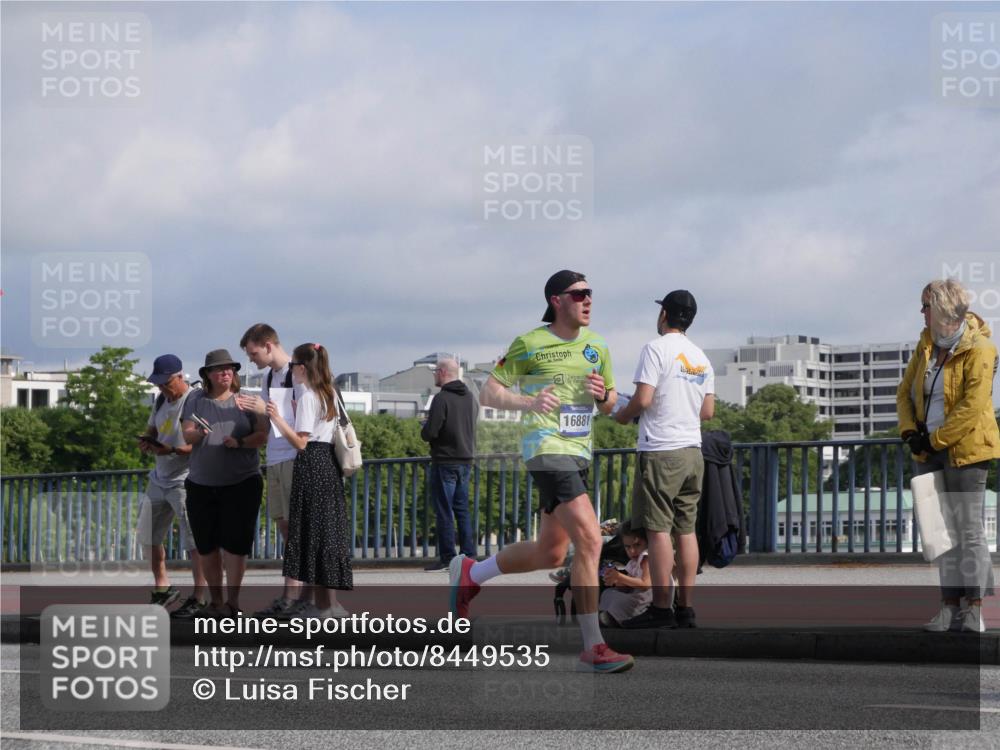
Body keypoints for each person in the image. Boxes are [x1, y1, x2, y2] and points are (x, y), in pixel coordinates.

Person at [453, 269, 635, 673]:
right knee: (590, 538)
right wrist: (528, 404)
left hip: (579, 451)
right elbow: (490, 392)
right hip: (545, 450)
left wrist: (602, 395)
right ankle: (593, 646)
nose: (588, 300)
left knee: (550, 551)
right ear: (557, 300)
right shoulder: (530, 343)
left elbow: (608, 404)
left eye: (591, 294)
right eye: (579, 294)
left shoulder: (597, 346)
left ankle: (471, 573)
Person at [897, 278, 999, 633]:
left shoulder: (981, 348)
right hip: (928, 450)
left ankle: (974, 608)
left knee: (968, 531)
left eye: (925, 306)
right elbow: (905, 392)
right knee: (939, 533)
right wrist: (910, 432)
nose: (921, 313)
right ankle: (948, 606)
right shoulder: (925, 345)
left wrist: (935, 440)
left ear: (942, 309)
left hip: (966, 451)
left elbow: (973, 407)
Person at [614, 290, 715, 629]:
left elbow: (643, 399)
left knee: (658, 532)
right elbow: (708, 411)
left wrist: (623, 415)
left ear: (664, 315)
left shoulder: (655, 349)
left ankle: (660, 609)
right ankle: (685, 609)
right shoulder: (701, 358)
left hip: (660, 449)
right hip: (692, 451)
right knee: (686, 530)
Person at [265, 343, 352, 617]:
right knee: (328, 534)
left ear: (302, 368)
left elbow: (301, 442)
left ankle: (322, 606)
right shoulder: (329, 392)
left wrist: (278, 419)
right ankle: (331, 604)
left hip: (311, 464)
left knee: (312, 535)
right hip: (329, 465)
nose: (290, 371)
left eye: (293, 366)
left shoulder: (308, 397)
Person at [181, 349, 268, 618]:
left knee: (235, 545)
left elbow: (263, 435)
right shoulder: (195, 399)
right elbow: (186, 435)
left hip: (241, 482)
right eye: (219, 369)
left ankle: (232, 602)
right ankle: (215, 601)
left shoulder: (247, 402)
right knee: (206, 546)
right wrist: (199, 432)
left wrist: (240, 442)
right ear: (207, 374)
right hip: (202, 483)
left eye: (230, 368)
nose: (226, 372)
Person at [237, 323, 303, 617]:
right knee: (286, 527)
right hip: (276, 457)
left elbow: (306, 417)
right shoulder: (269, 377)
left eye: (253, 353)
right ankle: (291, 595)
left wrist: (266, 410)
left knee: (297, 528)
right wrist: (254, 410)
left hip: (293, 456)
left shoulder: (296, 372)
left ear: (267, 345)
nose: (252, 359)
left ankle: (294, 595)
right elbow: (270, 422)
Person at [135, 354, 207, 618]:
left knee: (193, 540)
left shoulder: (194, 400)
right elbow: (152, 428)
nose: (162, 388)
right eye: (159, 384)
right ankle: (163, 587)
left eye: (166, 383)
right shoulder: (161, 400)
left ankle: (199, 595)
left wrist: (172, 450)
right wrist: (148, 441)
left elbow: (198, 443)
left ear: (180, 377)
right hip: (159, 477)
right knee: (148, 534)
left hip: (185, 478)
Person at [421, 357, 477, 571]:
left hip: (445, 461)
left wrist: (424, 428)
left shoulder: (441, 399)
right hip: (466, 460)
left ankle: (447, 558)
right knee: (462, 510)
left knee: (444, 510)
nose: (435, 374)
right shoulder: (470, 397)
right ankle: (469, 556)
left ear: (443, 372)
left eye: (436, 371)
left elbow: (431, 432)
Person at [598, 521, 652, 627]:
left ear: (646, 542)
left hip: (647, 601)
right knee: (608, 593)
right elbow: (628, 586)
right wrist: (616, 581)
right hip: (637, 596)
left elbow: (646, 583)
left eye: (637, 545)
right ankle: (610, 616)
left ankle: (616, 618)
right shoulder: (633, 562)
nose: (632, 551)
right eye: (627, 547)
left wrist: (620, 577)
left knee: (620, 600)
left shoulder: (646, 558)